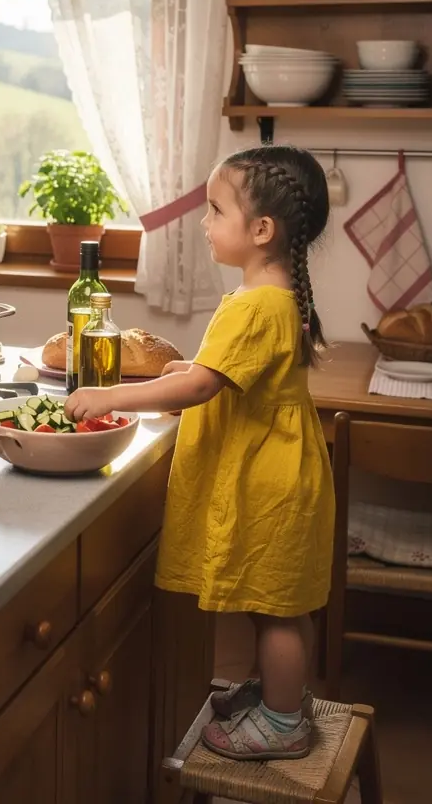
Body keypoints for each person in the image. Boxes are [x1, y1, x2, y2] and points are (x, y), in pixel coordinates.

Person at [65, 146, 335, 762]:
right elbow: (226, 372)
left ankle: (284, 722)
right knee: (281, 606)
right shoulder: (275, 294)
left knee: (276, 612)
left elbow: (200, 387)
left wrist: (112, 394)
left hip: (271, 481)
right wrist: (196, 369)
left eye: (215, 211)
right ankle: (279, 697)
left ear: (262, 230)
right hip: (283, 471)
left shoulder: (257, 303)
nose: (205, 223)